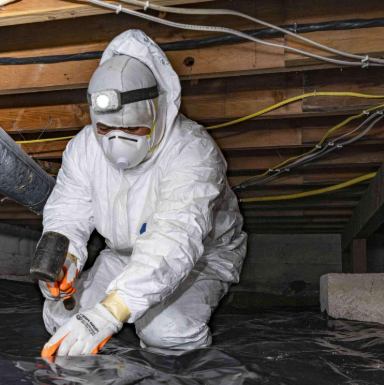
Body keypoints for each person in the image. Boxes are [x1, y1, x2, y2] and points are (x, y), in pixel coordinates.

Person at [39, 30, 247, 357]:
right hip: (123, 254)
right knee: (61, 318)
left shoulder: (192, 151)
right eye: (105, 129)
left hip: (198, 258)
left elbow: (175, 237)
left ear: (158, 110)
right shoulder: (83, 147)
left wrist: (110, 312)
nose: (117, 142)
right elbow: (68, 211)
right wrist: (65, 258)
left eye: (134, 128)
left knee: (166, 334)